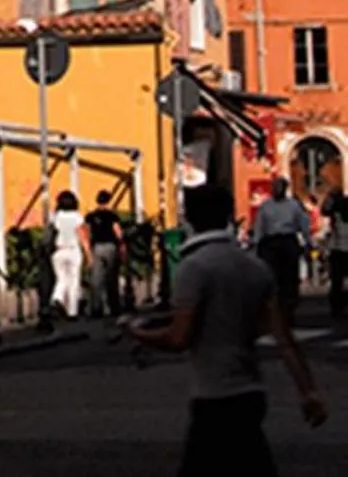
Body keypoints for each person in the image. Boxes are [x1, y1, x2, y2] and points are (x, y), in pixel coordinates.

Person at [133, 181, 326, 475]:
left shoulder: (193, 268)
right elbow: (284, 339)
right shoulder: (255, 268)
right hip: (251, 389)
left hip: (213, 393)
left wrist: (138, 334)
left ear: (190, 219)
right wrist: (307, 390)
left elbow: (178, 337)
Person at [251, 176, 312, 323]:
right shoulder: (266, 206)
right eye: (275, 186)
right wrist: (256, 243)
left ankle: (289, 308)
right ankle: (274, 309)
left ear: (285, 188)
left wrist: (307, 241)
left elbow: (303, 223)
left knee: (290, 277)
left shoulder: (293, 205)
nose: (277, 189)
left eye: (280, 187)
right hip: (271, 242)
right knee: (272, 277)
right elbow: (259, 225)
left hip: (288, 240)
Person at [85, 190, 124, 318]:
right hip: (110, 246)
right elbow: (118, 232)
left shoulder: (91, 216)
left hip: (97, 247)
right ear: (109, 201)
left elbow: (88, 233)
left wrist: (88, 250)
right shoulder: (112, 216)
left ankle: (96, 308)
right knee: (112, 277)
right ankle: (114, 306)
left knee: (96, 278)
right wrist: (122, 246)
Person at [49, 188, 86, 318]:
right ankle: (72, 311)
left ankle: (57, 297)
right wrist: (88, 252)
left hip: (58, 251)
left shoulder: (55, 217)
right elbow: (82, 236)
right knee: (74, 281)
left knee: (61, 278)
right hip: (73, 250)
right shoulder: (77, 217)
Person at [322, 183, 348, 317]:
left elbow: (324, 210)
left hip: (338, 248)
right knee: (337, 280)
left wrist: (330, 198)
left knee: (337, 280)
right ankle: (338, 304)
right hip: (338, 247)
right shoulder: (336, 209)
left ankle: (337, 305)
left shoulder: (335, 209)